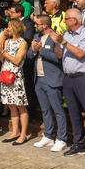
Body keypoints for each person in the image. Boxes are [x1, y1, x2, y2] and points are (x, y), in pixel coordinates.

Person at [51, 8, 85, 165]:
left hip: (84, 78)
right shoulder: (66, 35)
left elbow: (81, 54)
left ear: (74, 20)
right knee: (74, 114)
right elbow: (59, 55)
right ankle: (79, 144)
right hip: (68, 78)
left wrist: (64, 43)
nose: (64, 21)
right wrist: (57, 44)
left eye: (66, 18)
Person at [28, 15, 67, 152]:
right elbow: (29, 55)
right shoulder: (37, 37)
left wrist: (41, 51)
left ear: (45, 25)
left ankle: (61, 138)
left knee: (58, 110)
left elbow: (59, 58)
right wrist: (33, 50)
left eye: (37, 24)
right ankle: (48, 136)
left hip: (52, 79)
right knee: (45, 110)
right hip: (38, 79)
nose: (35, 26)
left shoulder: (54, 37)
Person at [0, 19, 29, 145]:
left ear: (15, 28)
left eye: (9, 27)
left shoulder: (23, 42)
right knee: (11, 105)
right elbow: (2, 59)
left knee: (20, 105)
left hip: (16, 76)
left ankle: (23, 134)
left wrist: (4, 53)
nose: (7, 29)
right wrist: (0, 50)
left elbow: (17, 61)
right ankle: (15, 131)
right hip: (6, 74)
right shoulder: (7, 41)